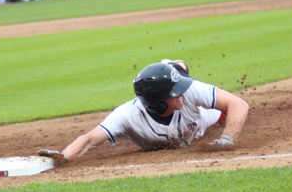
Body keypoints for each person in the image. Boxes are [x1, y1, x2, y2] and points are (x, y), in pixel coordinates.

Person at [39, 59, 249, 161]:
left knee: (222, 113)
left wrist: (228, 138)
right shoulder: (128, 115)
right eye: (176, 91)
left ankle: (176, 68)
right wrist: (62, 158)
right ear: (159, 101)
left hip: (208, 119)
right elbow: (89, 140)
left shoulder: (191, 90)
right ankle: (174, 66)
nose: (182, 92)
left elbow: (238, 104)